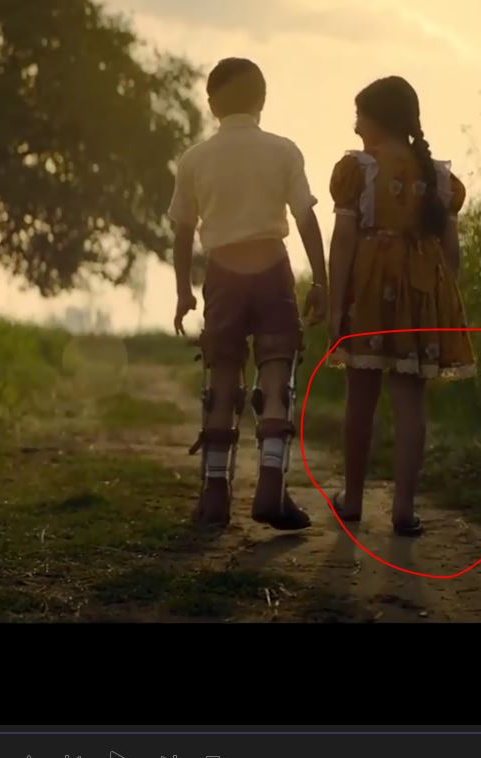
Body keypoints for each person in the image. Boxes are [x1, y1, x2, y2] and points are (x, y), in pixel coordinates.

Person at [168, 58, 328, 530]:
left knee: (222, 376)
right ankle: (271, 485)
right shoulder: (283, 151)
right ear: (262, 100)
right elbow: (305, 217)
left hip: (223, 272)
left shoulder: (194, 159)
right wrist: (321, 281)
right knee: (276, 374)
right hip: (271, 267)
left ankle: (215, 493)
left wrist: (183, 291)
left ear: (211, 104)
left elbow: (183, 231)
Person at [326, 75, 477, 537]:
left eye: (359, 117)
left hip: (370, 292)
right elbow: (450, 253)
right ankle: (404, 508)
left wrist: (335, 304)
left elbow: (344, 241)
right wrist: (441, 302)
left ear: (378, 120)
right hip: (421, 292)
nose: (355, 127)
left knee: (361, 396)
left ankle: (353, 500)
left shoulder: (357, 170)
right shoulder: (438, 178)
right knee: (411, 401)